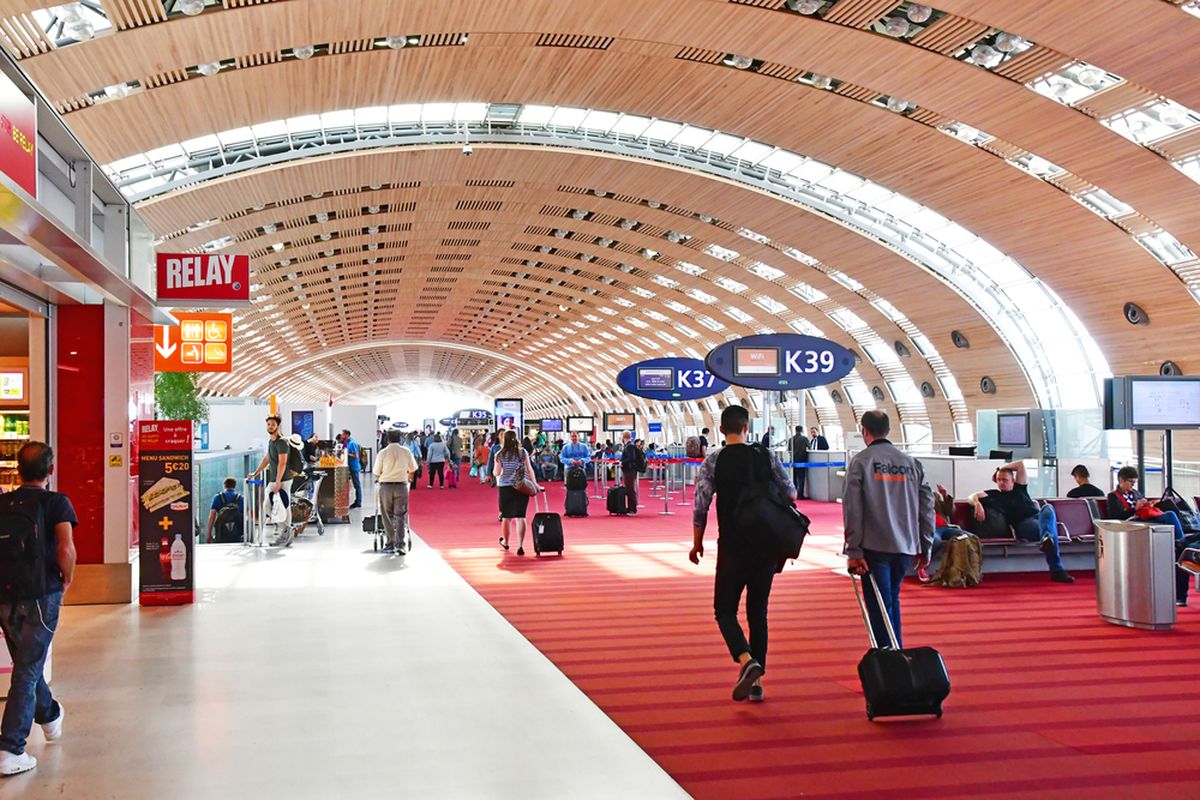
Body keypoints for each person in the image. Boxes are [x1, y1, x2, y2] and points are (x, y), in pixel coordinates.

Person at [690, 405, 796, 703]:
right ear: (747, 428)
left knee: (724, 610)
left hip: (732, 546)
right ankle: (756, 683)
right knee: (757, 613)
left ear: (722, 430)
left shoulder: (714, 460)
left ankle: (746, 659)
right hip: (766, 546)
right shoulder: (766, 455)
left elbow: (701, 505)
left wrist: (697, 543)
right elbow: (790, 492)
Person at [0, 442, 76, 776]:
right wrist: (66, 578)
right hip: (41, 594)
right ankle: (10, 748)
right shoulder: (56, 502)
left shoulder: (3, 504)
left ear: (18, 471)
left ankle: (49, 715)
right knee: (28, 668)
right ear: (51, 470)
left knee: (25, 662)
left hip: (5, 595)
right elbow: (66, 548)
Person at [843, 411, 934, 648]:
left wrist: (854, 550)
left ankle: (889, 657)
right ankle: (897, 651)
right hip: (905, 545)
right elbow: (927, 506)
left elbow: (853, 509)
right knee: (891, 598)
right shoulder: (911, 463)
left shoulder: (861, 462)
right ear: (888, 430)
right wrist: (926, 545)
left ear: (864, 430)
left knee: (879, 605)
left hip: (874, 546)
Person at [967, 460, 1075, 583]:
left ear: (1013, 481)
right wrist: (977, 503)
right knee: (1049, 531)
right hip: (1023, 524)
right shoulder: (996, 495)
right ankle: (1054, 561)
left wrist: (1000, 469)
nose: (1001, 483)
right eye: (998, 480)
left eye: (1005, 480)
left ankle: (1047, 540)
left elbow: (1020, 464)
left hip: (1038, 518)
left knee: (1048, 508)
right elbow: (972, 496)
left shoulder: (1020, 488)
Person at [1106, 466, 1195, 606]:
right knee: (1170, 515)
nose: (1132, 486)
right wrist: (1134, 509)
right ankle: (1181, 540)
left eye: (1134, 483)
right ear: (1121, 480)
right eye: (1130, 482)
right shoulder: (1113, 496)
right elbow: (1116, 516)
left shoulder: (1135, 493)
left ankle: (1180, 541)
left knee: (1170, 514)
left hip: (1144, 519)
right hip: (1131, 522)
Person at [494, 430, 539, 556]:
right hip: (521, 486)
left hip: (505, 487)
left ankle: (506, 542)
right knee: (521, 516)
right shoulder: (523, 452)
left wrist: (495, 471)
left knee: (506, 517)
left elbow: (497, 473)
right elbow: (530, 469)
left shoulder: (499, 454)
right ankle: (520, 545)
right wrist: (535, 484)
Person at [249, 415, 292, 546]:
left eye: (273, 424)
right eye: (268, 424)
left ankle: (286, 532)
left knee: (284, 506)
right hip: (274, 480)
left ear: (277, 426)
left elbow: (282, 463)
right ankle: (287, 530)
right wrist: (256, 473)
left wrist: (278, 481)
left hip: (282, 480)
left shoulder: (282, 442)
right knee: (267, 507)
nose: (270, 426)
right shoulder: (271, 442)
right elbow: (267, 458)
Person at [373, 429, 418, 554]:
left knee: (387, 515)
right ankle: (400, 545)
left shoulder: (383, 453)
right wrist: (409, 478)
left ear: (387, 439)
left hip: (386, 487)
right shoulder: (406, 451)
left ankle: (390, 543)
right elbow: (413, 468)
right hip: (401, 487)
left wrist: (381, 478)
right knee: (400, 516)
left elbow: (376, 472)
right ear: (400, 438)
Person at [205, 477, 244, 543]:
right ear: (235, 486)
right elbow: (246, 516)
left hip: (221, 535)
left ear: (224, 486)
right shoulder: (240, 498)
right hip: (237, 536)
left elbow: (212, 516)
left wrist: (209, 534)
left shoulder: (217, 497)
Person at [619, 431, 644, 514]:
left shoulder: (629, 447)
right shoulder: (629, 446)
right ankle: (630, 507)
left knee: (630, 489)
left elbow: (631, 458)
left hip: (629, 470)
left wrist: (622, 462)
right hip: (629, 470)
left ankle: (632, 508)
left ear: (624, 437)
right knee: (629, 489)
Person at [342, 429, 363, 508]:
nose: (342, 436)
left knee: (357, 485)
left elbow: (355, 455)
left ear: (347, 435)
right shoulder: (346, 443)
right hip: (350, 466)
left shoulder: (352, 443)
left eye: (343, 434)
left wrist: (347, 453)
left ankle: (358, 502)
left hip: (354, 467)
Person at [788, 425, 810, 500]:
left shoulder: (791, 439)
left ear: (795, 430)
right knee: (801, 477)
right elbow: (809, 447)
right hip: (801, 460)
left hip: (793, 460)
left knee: (794, 477)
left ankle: (794, 493)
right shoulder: (804, 439)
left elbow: (789, 449)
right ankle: (800, 494)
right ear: (802, 430)